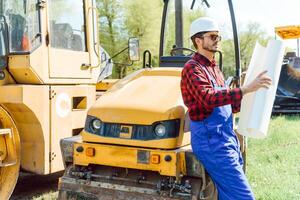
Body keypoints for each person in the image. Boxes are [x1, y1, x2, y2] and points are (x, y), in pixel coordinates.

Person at [180, 17, 272, 200]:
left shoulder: (215, 70)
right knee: (243, 196)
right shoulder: (192, 69)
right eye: (212, 36)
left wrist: (246, 90)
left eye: (218, 37)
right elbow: (208, 99)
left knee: (228, 195)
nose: (217, 40)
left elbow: (229, 107)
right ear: (198, 41)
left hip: (226, 139)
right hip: (211, 142)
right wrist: (245, 89)